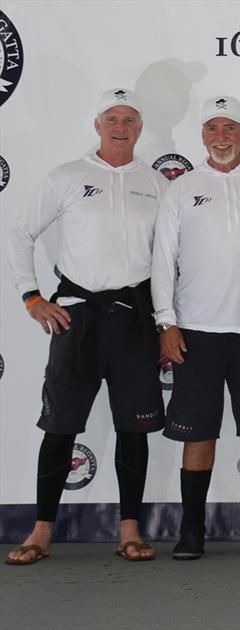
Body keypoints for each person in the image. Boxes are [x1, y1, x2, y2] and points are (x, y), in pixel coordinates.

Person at [6, 88, 166, 564]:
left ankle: (131, 531)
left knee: (133, 431)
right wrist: (31, 296)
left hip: (134, 320)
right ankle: (40, 532)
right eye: (112, 118)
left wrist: (166, 321)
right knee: (59, 428)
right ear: (97, 125)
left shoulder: (156, 183)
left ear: (140, 129)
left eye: (130, 119)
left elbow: (170, 256)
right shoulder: (68, 176)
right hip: (75, 317)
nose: (121, 126)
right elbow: (20, 232)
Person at [151, 95, 240, 560]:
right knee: (197, 433)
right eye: (212, 129)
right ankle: (192, 532)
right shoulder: (181, 188)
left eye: (230, 128)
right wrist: (166, 323)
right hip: (196, 331)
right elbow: (163, 261)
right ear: (202, 136)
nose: (222, 137)